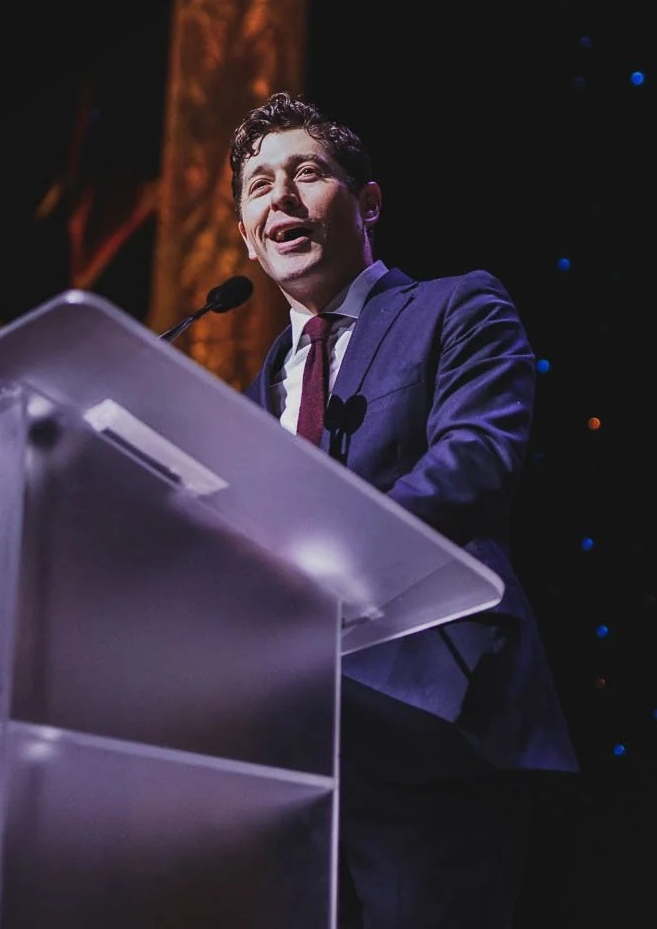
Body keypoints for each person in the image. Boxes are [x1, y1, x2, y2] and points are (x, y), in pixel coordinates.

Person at [229, 92, 576, 928]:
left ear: (368, 202)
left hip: (428, 717)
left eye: (306, 173)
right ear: (245, 231)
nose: (279, 197)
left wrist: (324, 561)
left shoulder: (455, 307)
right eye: (257, 185)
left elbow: (477, 460)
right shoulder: (249, 398)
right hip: (287, 752)